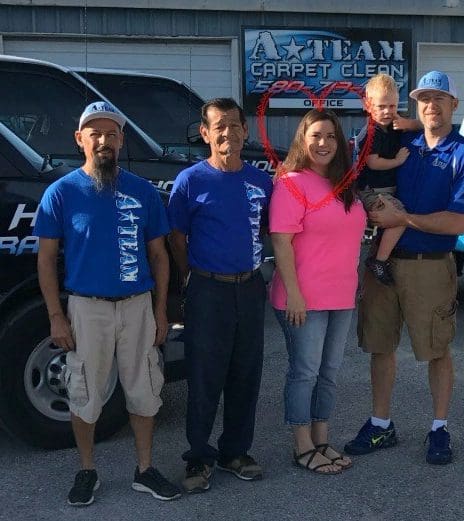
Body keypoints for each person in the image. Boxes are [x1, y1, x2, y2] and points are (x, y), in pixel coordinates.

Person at [35, 101, 180, 506]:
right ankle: (87, 471)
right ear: (80, 139)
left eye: (111, 134)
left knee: (145, 389)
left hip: (137, 306)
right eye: (95, 133)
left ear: (121, 140)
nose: (104, 141)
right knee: (85, 392)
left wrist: (161, 310)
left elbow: (159, 256)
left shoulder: (143, 191)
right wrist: (56, 317)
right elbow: (46, 260)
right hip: (86, 308)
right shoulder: (60, 193)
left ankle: (145, 469)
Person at [344, 71, 464, 464]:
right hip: (382, 265)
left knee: (437, 350)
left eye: (440, 98)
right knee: (379, 346)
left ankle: (439, 428)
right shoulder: (404, 141)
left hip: (429, 264)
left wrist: (404, 220)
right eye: (425, 99)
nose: (431, 105)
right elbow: (379, 132)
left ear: (454, 105)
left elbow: (459, 223)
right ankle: (380, 423)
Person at [167, 97, 273, 492]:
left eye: (234, 124)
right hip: (207, 290)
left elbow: (266, 230)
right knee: (205, 375)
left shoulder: (261, 182)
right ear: (206, 133)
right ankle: (198, 457)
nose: (227, 132)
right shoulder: (191, 181)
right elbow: (176, 237)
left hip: (249, 287)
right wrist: (190, 276)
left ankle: (234, 452)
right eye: (219, 126)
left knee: (246, 373)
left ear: (245, 131)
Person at [270, 109, 367, 475]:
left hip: (341, 295)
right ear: (303, 139)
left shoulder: (346, 184)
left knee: (329, 372)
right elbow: (281, 241)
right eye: (316, 136)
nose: (323, 143)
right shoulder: (292, 182)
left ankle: (323, 439)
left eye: (330, 136)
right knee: (305, 372)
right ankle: (302, 445)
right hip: (303, 297)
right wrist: (293, 293)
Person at [357, 73, 410, 285]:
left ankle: (376, 255)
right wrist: (397, 161)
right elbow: (373, 162)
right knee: (399, 218)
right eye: (381, 106)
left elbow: (415, 126)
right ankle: (379, 261)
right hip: (370, 191)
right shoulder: (372, 132)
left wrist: (405, 122)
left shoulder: (390, 128)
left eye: (393, 106)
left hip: (385, 189)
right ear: (368, 105)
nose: (388, 111)